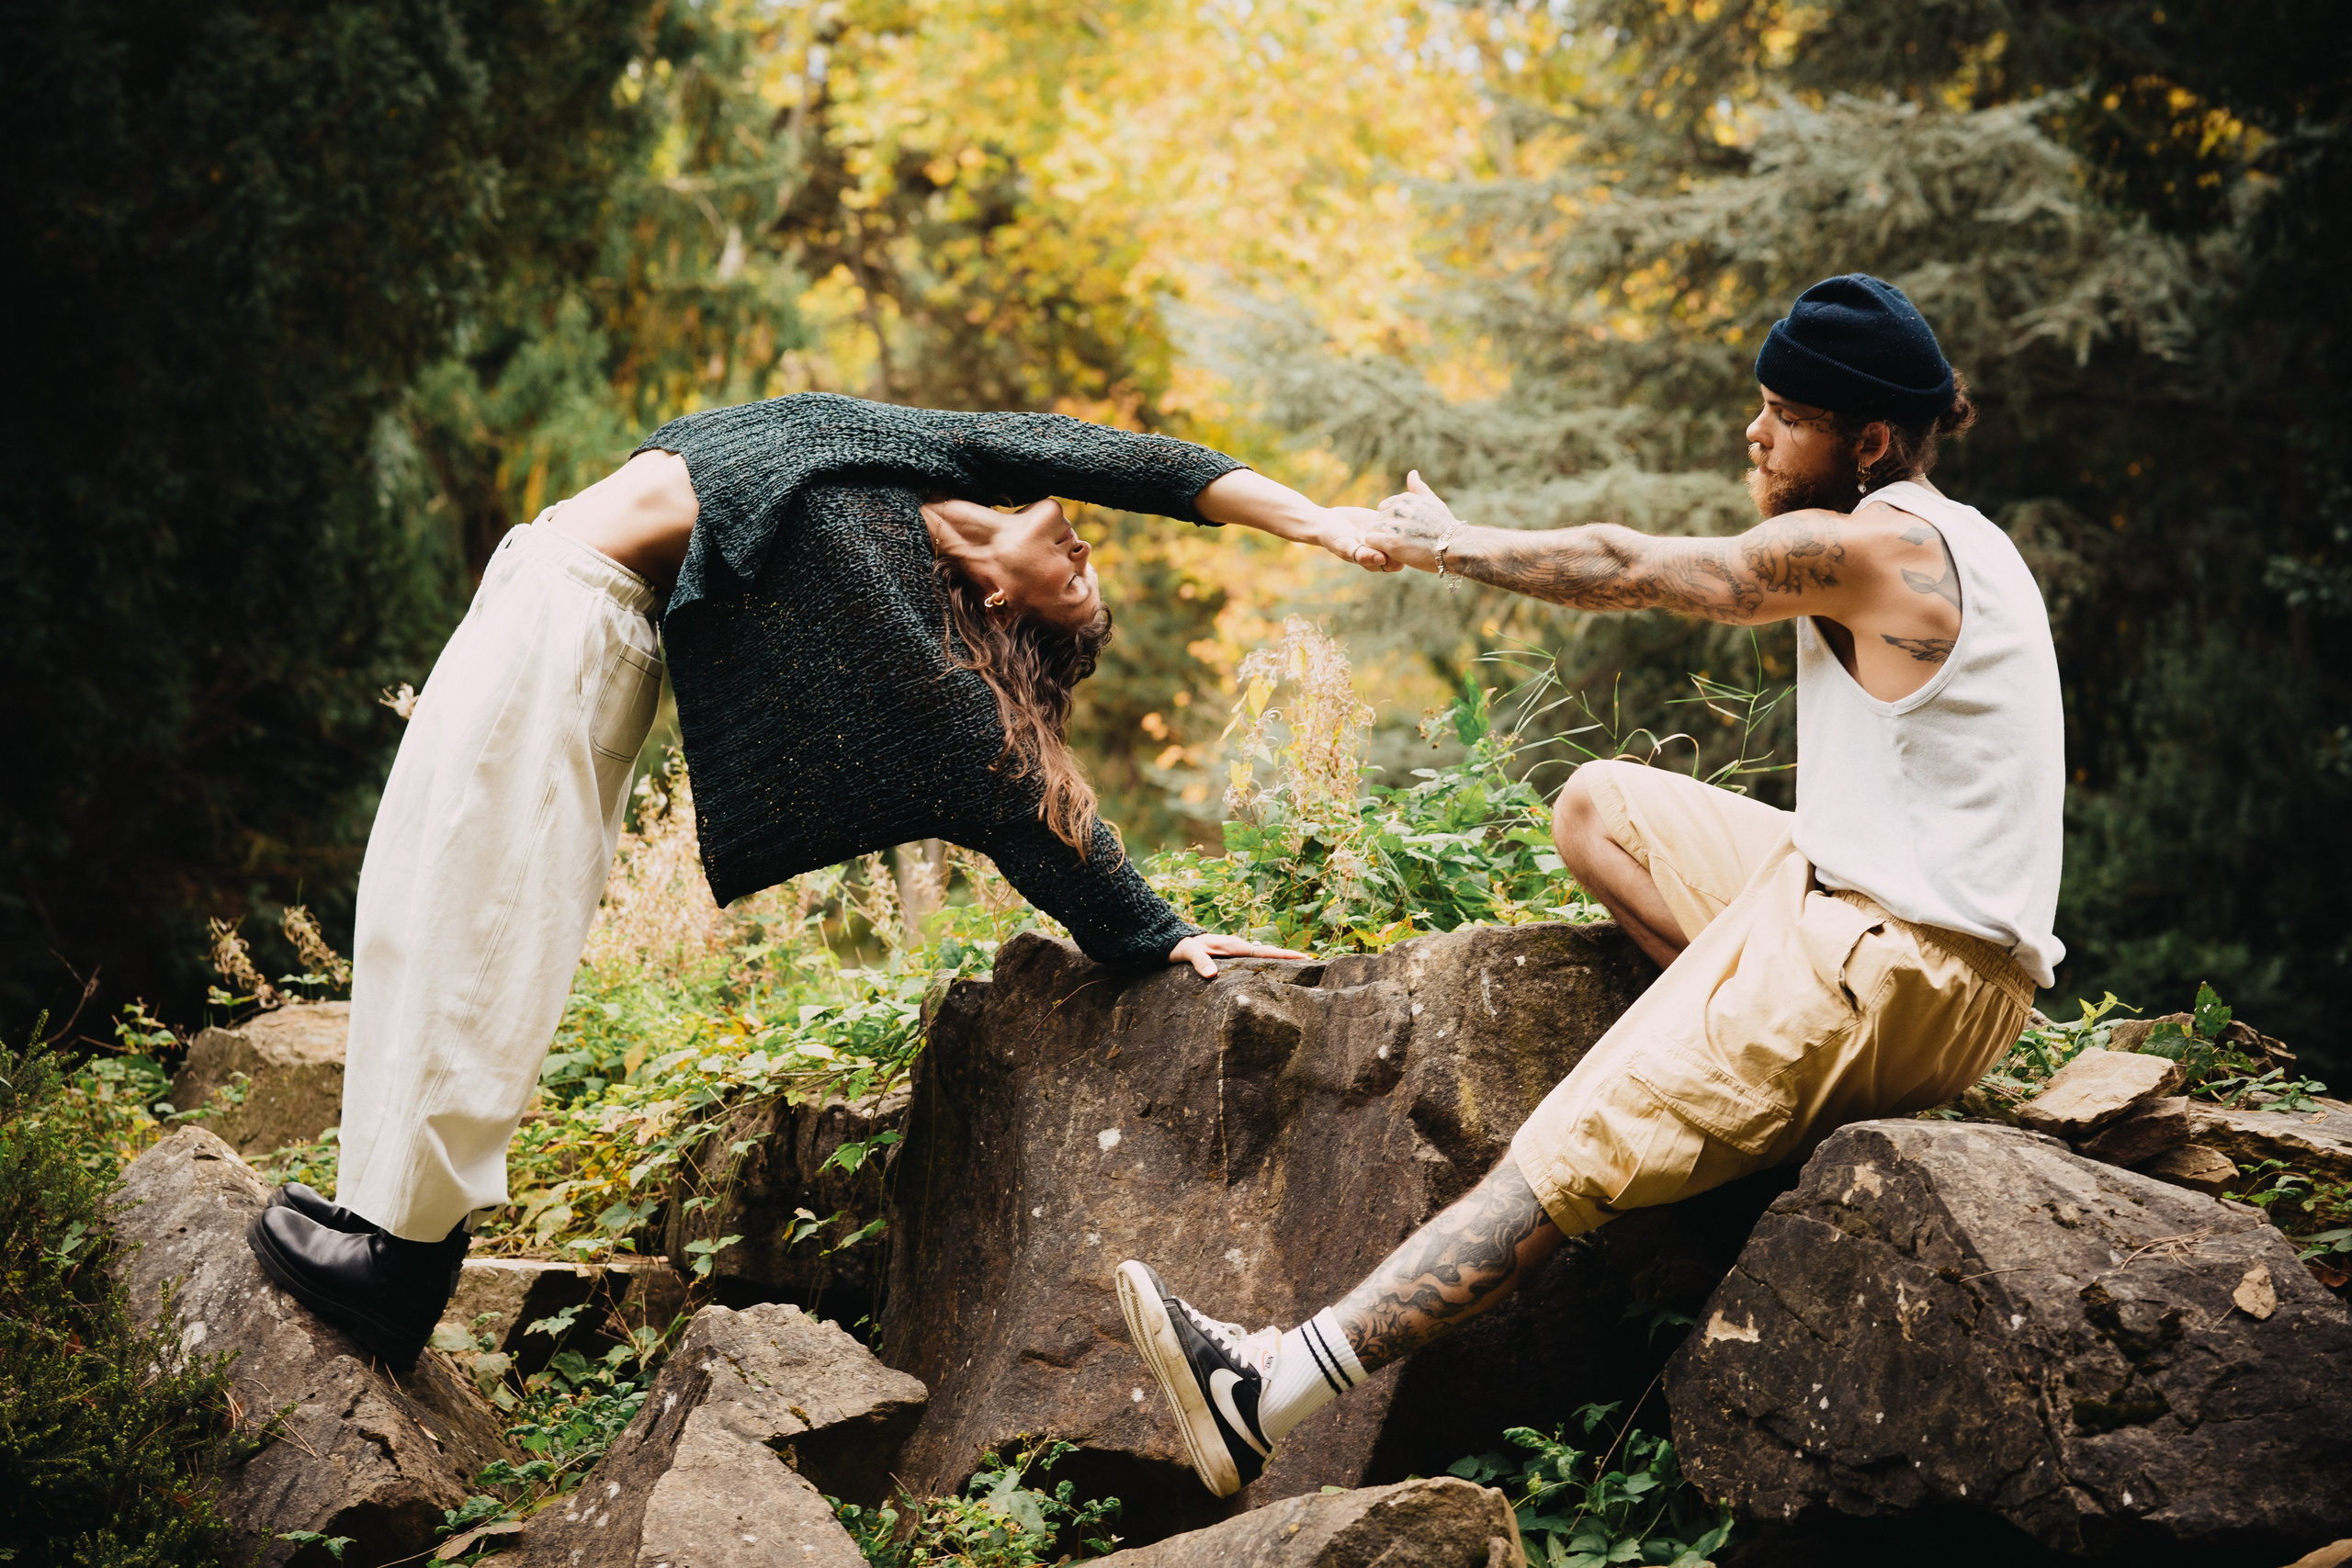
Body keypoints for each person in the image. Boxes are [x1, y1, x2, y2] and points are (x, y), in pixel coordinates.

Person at [1117, 273, 2062, 1498]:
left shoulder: (1885, 543)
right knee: (1601, 805)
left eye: (1785, 413)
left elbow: (1634, 564)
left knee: (1562, 1148)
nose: (1755, 433)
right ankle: (1754, 1069)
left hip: (1900, 961)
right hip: (1895, 927)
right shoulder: (1961, 536)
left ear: (1870, 439)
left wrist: (1447, 543)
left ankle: (1268, 1387)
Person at [246, 392, 1391, 1366]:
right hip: (538, 577)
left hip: (577, 628)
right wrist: (1320, 522)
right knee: (411, 893)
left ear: (1004, 603)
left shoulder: (898, 616)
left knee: (476, 909)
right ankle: (375, 1212)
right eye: (1090, 573)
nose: (1091, 559)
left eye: (1077, 592)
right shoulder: (929, 455)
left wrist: (1154, 931)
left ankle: (398, 1263)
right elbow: (1140, 463)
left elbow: (1010, 780)